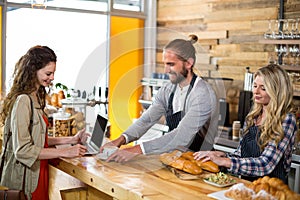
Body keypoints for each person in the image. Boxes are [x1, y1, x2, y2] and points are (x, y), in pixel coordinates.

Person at [101, 35, 219, 163]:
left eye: (171, 64)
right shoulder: (168, 89)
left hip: (202, 164)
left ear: (189, 63)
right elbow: (147, 119)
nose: (166, 70)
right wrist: (121, 139)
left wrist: (136, 150)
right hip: (175, 161)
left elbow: (181, 137)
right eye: (165, 64)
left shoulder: (202, 94)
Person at [0, 45, 88, 200]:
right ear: (33, 70)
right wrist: (65, 152)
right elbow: (23, 150)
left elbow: (38, 139)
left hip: (38, 172)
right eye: (48, 73)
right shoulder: (23, 100)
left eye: (53, 73)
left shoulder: (36, 97)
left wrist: (71, 140)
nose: (52, 77)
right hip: (26, 180)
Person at [194, 64, 297, 184]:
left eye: (263, 88)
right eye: (255, 86)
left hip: (272, 190)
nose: (256, 92)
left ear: (277, 91)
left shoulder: (286, 119)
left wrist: (225, 162)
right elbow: (241, 155)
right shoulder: (252, 117)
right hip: (247, 186)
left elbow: (265, 164)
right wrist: (222, 155)